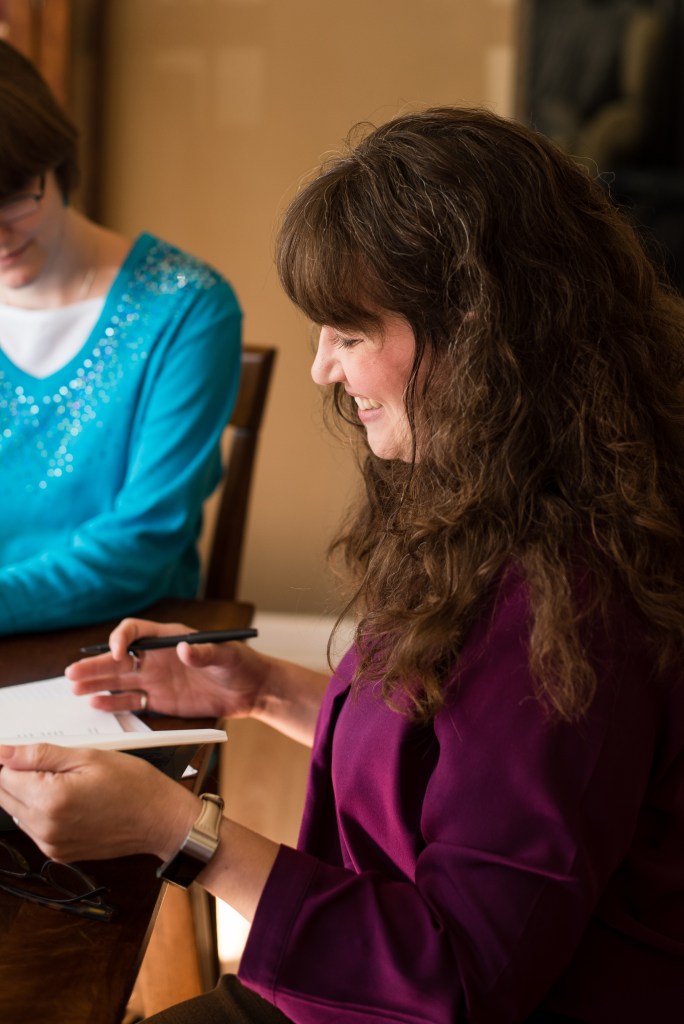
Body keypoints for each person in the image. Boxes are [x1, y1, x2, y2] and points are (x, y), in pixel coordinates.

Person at [1, 105, 684, 1023]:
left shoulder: (569, 603)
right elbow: (459, 760)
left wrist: (178, 833)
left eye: (352, 333)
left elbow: (457, 978)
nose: (323, 368)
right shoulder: (507, 504)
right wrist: (258, 689)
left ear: (482, 336)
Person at [0, 40, 242, 634]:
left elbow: (142, 544)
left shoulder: (185, 308)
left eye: (11, 195)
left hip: (119, 644)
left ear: (55, 162)